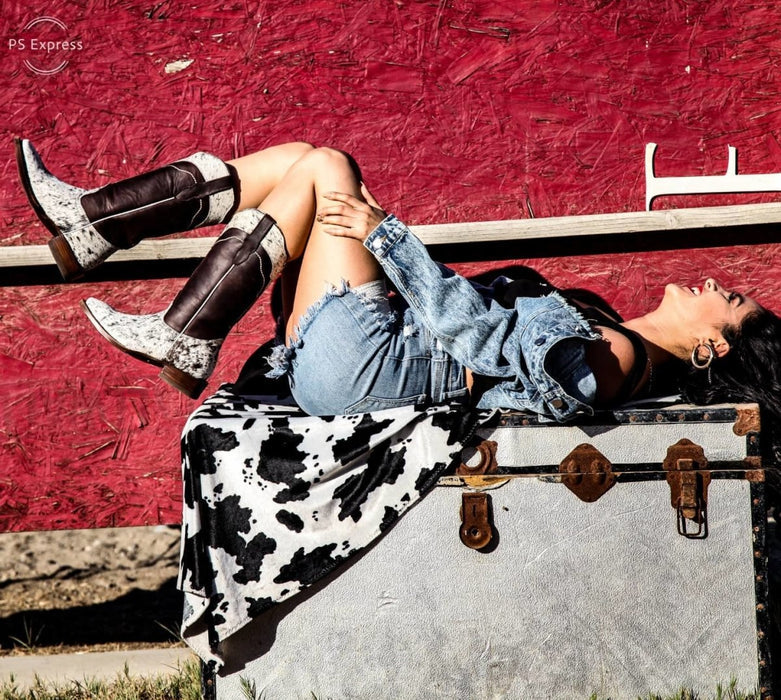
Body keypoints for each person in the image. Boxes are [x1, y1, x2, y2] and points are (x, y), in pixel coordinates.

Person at [15, 138, 781, 427]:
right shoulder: (610, 333)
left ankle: (168, 310)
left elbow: (477, 335)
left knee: (329, 168)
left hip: (368, 367)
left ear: (712, 345)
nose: (716, 281)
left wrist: (386, 237)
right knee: (298, 163)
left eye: (732, 299)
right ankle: (92, 224)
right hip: (356, 360)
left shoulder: (609, 361)